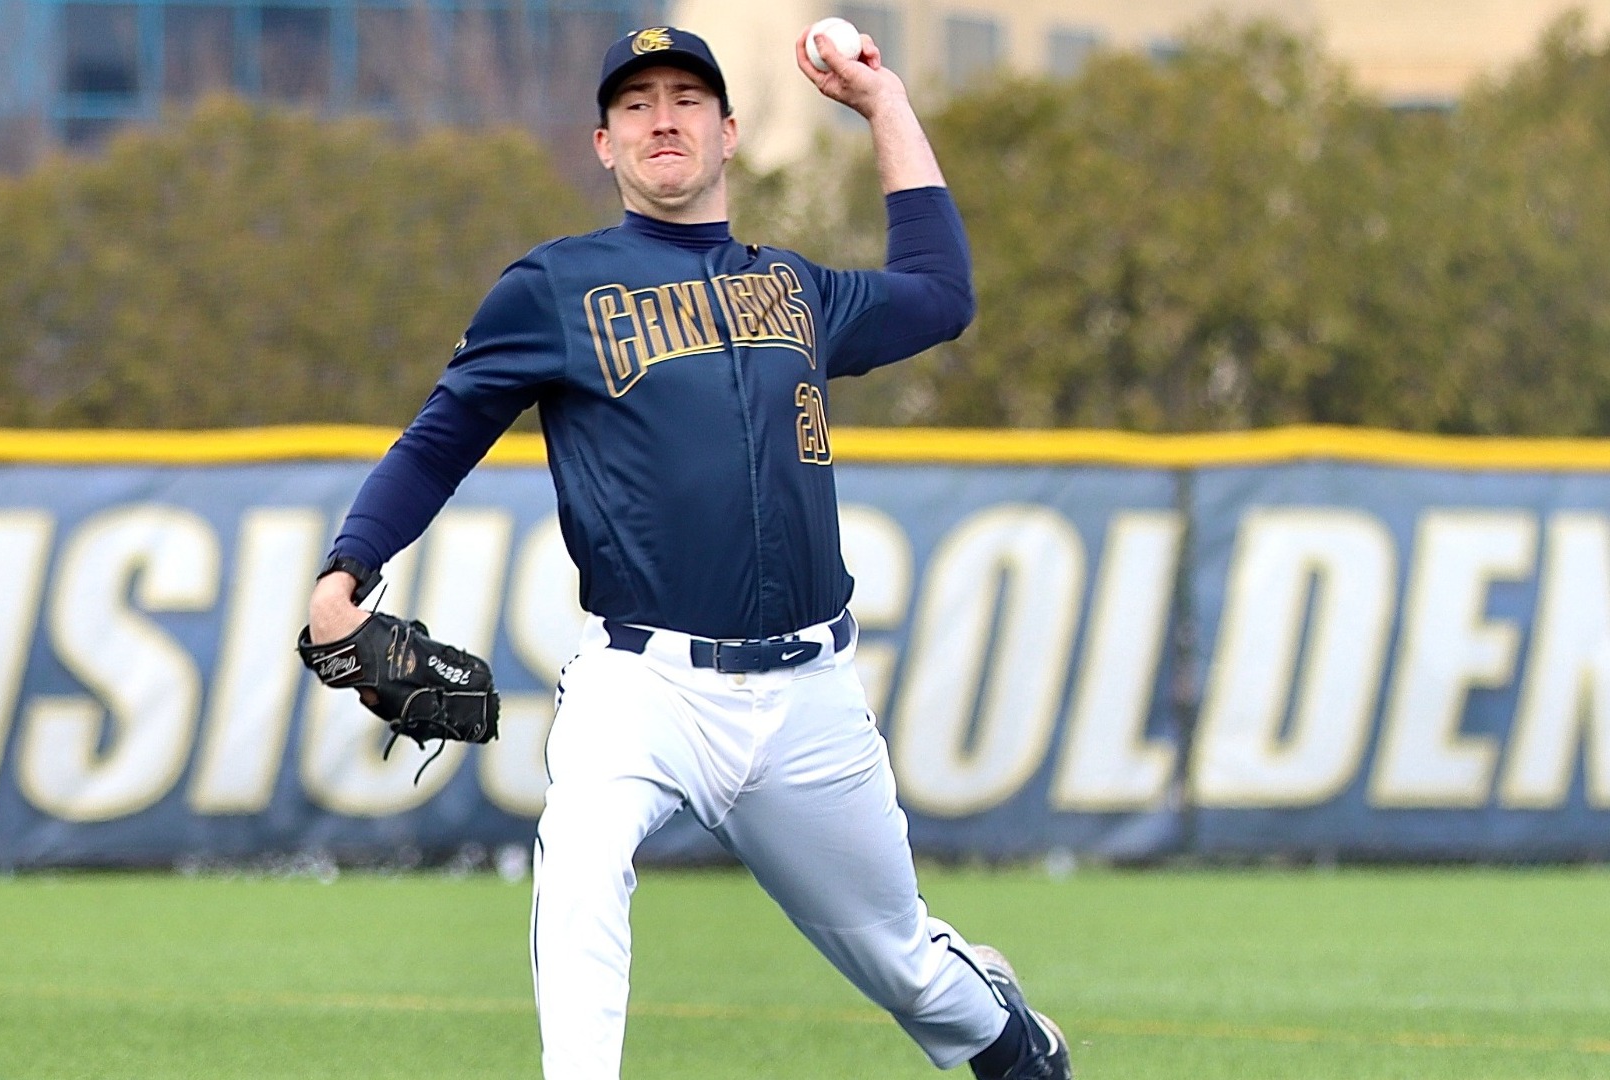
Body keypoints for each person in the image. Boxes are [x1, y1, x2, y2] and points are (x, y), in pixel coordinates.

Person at [306, 23, 1073, 1080]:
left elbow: (943, 295)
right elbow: (439, 441)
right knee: (578, 865)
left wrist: (883, 104)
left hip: (810, 695)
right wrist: (346, 574)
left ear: (729, 133)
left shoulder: (796, 290)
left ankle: (1012, 1041)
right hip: (643, 683)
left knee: (906, 967)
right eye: (635, 103)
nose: (662, 115)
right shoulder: (553, 289)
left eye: (686, 97)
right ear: (604, 145)